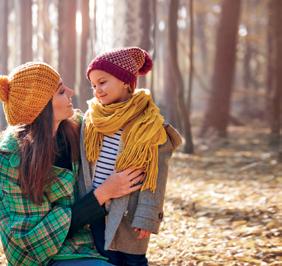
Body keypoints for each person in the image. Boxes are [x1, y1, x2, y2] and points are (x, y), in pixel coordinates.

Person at [0, 62, 145, 266]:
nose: (71, 92)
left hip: (91, 242)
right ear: (42, 108)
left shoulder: (78, 129)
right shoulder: (11, 158)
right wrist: (103, 193)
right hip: (44, 258)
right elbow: (29, 243)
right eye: (60, 91)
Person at [79, 47, 182, 266]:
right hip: (96, 205)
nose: (97, 90)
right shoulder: (93, 118)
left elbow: (157, 177)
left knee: (131, 259)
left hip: (130, 211)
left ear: (125, 81)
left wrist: (147, 216)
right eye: (94, 85)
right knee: (104, 258)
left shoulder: (148, 124)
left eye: (103, 82)